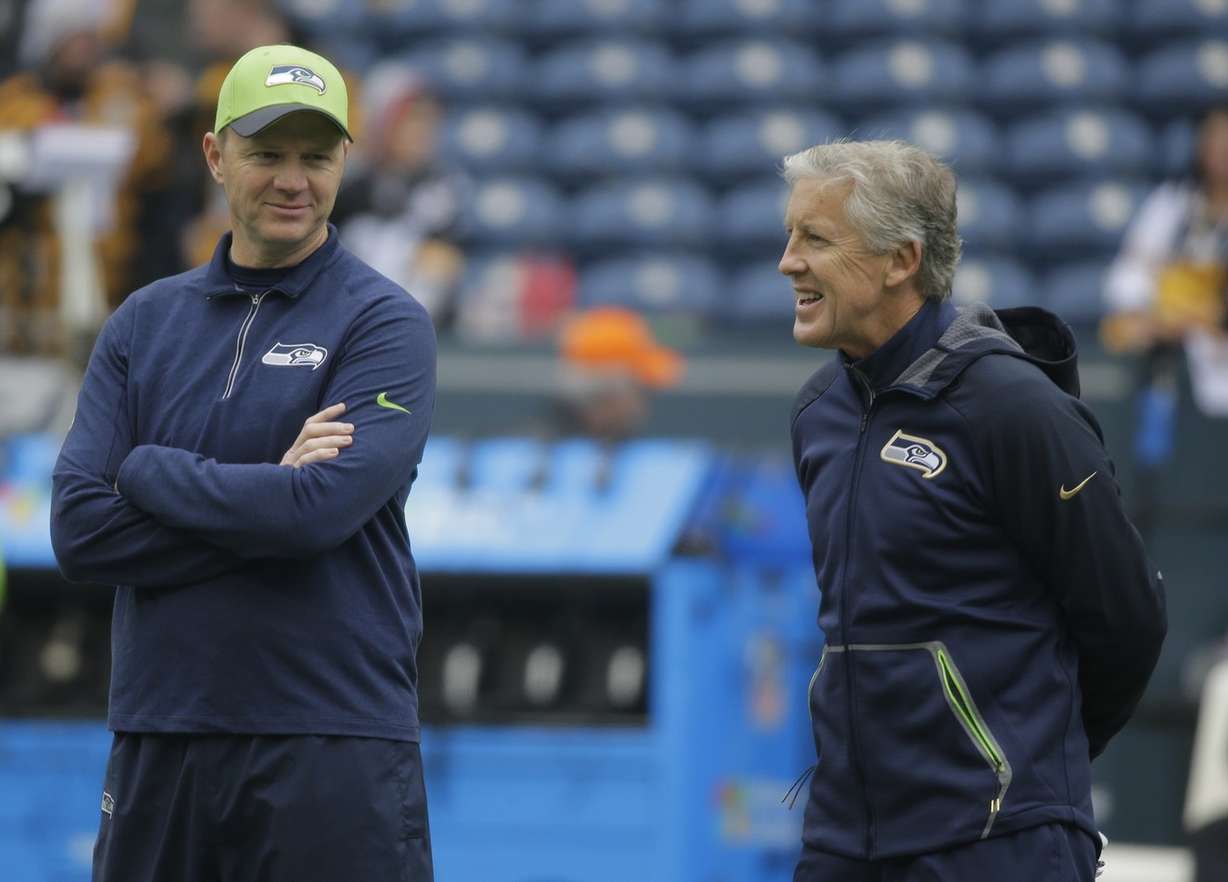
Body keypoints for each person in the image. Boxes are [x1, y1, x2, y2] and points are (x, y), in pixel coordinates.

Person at [49, 44, 437, 882]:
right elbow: (80, 532)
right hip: (162, 737)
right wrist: (273, 496)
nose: (293, 180)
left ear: (345, 161)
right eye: (267, 154)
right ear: (216, 156)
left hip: (331, 741)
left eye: (316, 156)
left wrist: (149, 472)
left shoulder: (386, 324)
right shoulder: (142, 324)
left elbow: (319, 512)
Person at [780, 140, 1166, 882]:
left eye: (815, 238)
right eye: (791, 235)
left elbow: (1128, 620)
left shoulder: (1013, 408)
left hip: (999, 840)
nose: (787, 261)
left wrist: (1020, 761)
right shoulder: (818, 413)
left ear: (901, 261)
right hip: (843, 840)